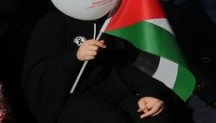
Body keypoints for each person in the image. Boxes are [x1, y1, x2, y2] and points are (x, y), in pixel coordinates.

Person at [22, 8, 175, 122]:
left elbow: (141, 63)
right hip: (75, 97)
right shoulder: (53, 23)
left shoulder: (116, 16)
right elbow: (40, 77)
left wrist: (149, 93)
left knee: (157, 117)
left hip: (122, 89)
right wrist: (75, 58)